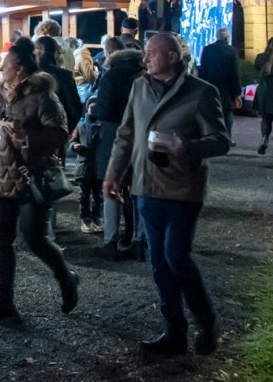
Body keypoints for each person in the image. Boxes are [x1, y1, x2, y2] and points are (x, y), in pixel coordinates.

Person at [103, 32, 231, 356]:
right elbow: (126, 134)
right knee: (159, 263)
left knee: (177, 256)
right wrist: (114, 173)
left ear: (172, 57)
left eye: (151, 54)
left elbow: (221, 140)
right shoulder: (139, 87)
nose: (144, 59)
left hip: (182, 188)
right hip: (147, 187)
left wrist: (187, 147)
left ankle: (207, 321)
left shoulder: (202, 93)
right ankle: (174, 331)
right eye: (145, 54)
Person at [0, 38, 79, 322]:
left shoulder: (43, 96)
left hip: (29, 177)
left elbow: (60, 133)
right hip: (0, 178)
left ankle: (66, 277)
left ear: (19, 68)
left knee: (34, 238)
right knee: (2, 242)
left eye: (4, 64)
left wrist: (28, 137)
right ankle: (4, 302)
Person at [91, 36, 144, 260]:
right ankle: (140, 241)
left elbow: (105, 110)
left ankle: (110, 240)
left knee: (111, 191)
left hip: (114, 136)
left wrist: (93, 108)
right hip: (141, 138)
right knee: (139, 192)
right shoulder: (145, 77)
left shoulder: (111, 76)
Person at [197, 28, 241, 138]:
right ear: (227, 38)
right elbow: (235, 73)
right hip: (227, 87)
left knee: (212, 112)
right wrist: (237, 92)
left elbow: (203, 70)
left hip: (211, 85)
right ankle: (228, 136)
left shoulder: (207, 49)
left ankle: (213, 135)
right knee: (228, 113)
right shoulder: (232, 51)